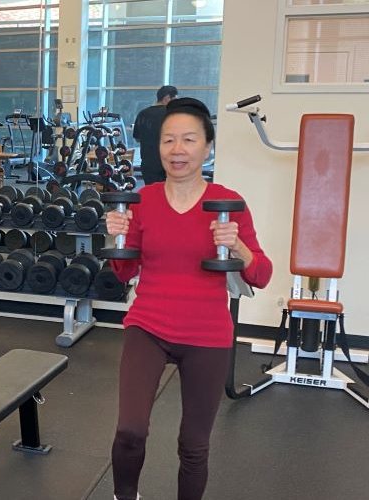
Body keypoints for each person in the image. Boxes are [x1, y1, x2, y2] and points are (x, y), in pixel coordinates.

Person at [105, 97, 272, 500]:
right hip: (148, 325)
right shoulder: (142, 200)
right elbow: (124, 272)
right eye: (168, 141)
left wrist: (239, 250)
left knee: (194, 444)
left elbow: (262, 274)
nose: (177, 150)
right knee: (130, 430)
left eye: (189, 140)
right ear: (158, 147)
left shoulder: (228, 204)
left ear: (208, 146)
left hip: (207, 334)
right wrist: (116, 237)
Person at [133, 85, 178, 185]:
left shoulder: (142, 114)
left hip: (148, 164)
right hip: (169, 163)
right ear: (167, 98)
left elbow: (137, 138)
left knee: (151, 195)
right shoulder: (172, 114)